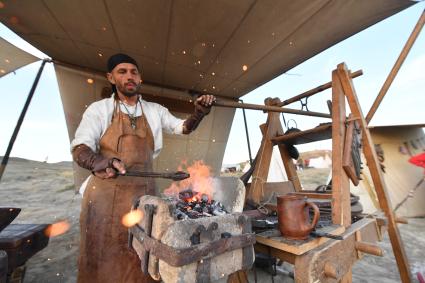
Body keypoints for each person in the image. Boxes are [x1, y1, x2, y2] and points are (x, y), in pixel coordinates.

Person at [71, 53, 215, 283]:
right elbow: (80, 148)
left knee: (142, 256)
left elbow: (183, 127)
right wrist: (100, 162)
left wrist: (198, 113)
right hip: (104, 198)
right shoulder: (99, 110)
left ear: (140, 79)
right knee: (103, 257)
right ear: (110, 77)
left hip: (144, 196)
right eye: (122, 71)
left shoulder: (154, 110)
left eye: (134, 72)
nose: (129, 76)